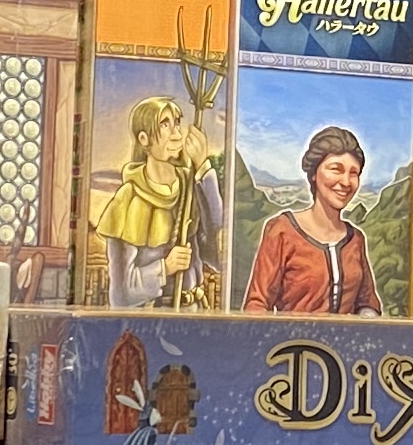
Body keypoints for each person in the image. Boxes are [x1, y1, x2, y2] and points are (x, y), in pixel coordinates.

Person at [96, 94, 224, 309]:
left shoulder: (191, 187)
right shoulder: (127, 200)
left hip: (195, 313)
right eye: (165, 125)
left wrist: (203, 166)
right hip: (154, 319)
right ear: (144, 139)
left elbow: (218, 253)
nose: (176, 135)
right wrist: (165, 267)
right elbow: (122, 294)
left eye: (177, 123)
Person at [240, 125, 383, 312]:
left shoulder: (355, 239)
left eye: (353, 173)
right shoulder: (281, 230)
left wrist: (368, 317)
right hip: (293, 332)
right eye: (336, 169)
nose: (346, 182)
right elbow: (257, 304)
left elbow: (368, 302)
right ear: (314, 173)